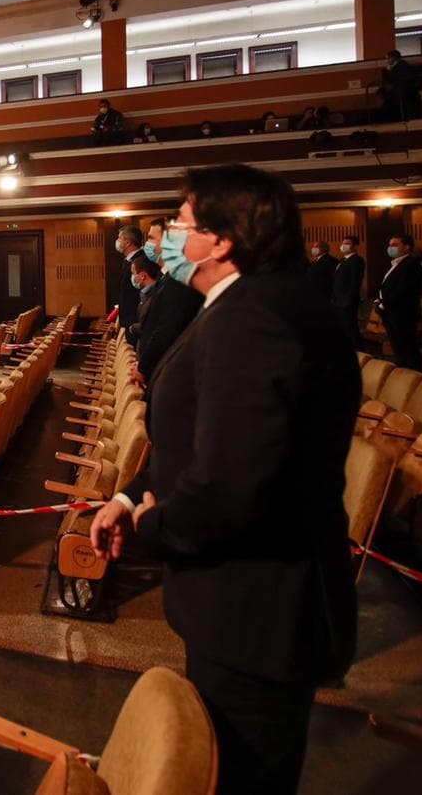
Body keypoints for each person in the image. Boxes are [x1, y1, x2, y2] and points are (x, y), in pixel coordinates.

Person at [90, 163, 358, 795]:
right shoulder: (260, 304)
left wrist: (154, 524)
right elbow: (201, 438)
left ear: (221, 239)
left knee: (242, 776)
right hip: (250, 607)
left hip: (256, 611)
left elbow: (232, 484)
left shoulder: (255, 318)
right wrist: (132, 492)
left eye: (182, 222)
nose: (168, 235)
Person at [129, 253, 201, 385]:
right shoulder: (163, 279)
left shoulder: (176, 283)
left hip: (167, 369)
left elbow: (164, 330)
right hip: (154, 364)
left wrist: (144, 367)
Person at [375, 233, 422, 370]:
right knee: (399, 350)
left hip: (403, 313)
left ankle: (413, 377)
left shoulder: (411, 264)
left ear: (407, 247)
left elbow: (404, 290)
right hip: (391, 312)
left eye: (395, 245)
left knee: (408, 350)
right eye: (390, 245)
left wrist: (383, 304)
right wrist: (378, 301)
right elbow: (386, 287)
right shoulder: (395, 264)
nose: (390, 248)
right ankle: (403, 375)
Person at [332, 235, 365, 348]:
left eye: (347, 243)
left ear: (355, 246)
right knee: (343, 327)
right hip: (338, 300)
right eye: (343, 243)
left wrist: (348, 300)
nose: (344, 245)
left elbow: (355, 283)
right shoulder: (343, 260)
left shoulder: (357, 260)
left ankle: (358, 349)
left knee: (350, 327)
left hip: (347, 301)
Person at [114, 225, 144, 333]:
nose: (117, 241)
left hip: (134, 320)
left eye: (119, 238)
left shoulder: (140, 261)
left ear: (128, 243)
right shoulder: (128, 260)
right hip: (127, 319)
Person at [377, 49, 422, 121]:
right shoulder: (388, 68)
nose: (387, 61)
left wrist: (392, 85)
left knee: (391, 98)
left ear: (394, 58)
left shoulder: (403, 66)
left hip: (404, 88)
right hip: (395, 87)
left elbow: (404, 79)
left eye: (388, 58)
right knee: (383, 93)